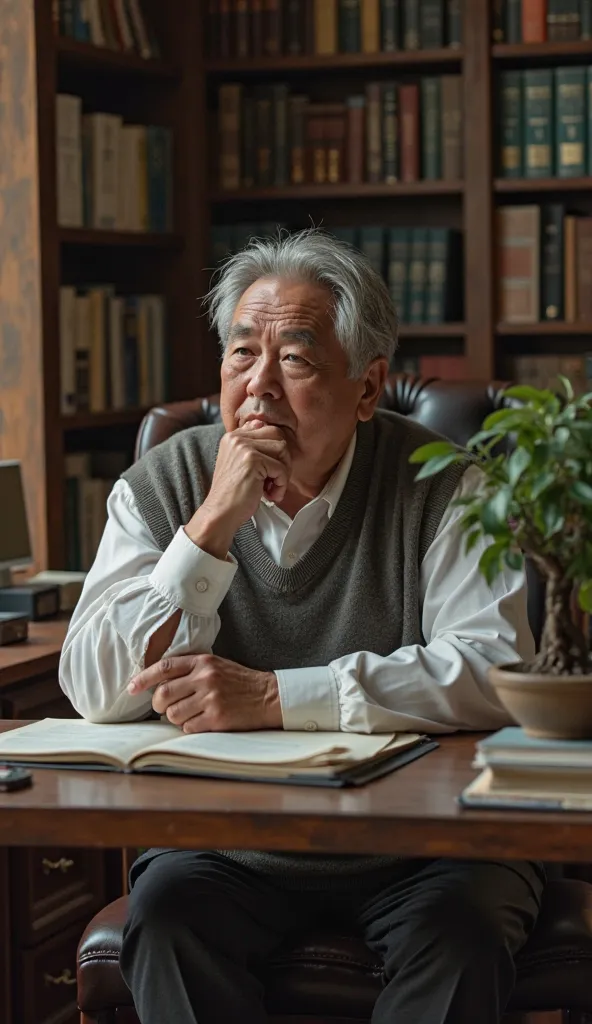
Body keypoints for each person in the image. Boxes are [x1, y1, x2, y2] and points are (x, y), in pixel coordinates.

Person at [59, 229, 543, 1024]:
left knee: (461, 933)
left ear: (367, 386)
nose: (258, 389)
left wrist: (278, 696)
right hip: (227, 839)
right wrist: (209, 527)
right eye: (241, 355)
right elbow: (100, 693)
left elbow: (490, 669)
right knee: (171, 919)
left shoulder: (446, 485)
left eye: (295, 360)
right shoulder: (164, 483)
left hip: (429, 844)